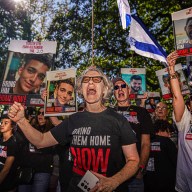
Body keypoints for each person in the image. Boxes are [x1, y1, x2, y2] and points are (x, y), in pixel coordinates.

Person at [8, 66, 140, 192]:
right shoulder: (72, 121)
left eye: (96, 79)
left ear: (105, 89)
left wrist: (114, 181)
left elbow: (133, 160)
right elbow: (41, 141)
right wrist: (21, 120)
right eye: (86, 80)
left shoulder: (119, 121)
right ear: (80, 90)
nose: (90, 83)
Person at [112, 77, 153, 192]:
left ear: (129, 90)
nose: (120, 89)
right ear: (113, 93)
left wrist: (141, 168)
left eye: (123, 86)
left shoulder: (141, 112)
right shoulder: (108, 113)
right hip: (112, 175)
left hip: (134, 176)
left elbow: (146, 143)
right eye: (116, 87)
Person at [167, 50, 192, 192]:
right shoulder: (185, 120)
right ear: (189, 106)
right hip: (185, 186)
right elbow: (177, 97)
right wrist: (171, 69)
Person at [17, 107, 54, 192]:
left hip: (42, 171)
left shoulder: (52, 130)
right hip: (26, 169)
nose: (40, 115)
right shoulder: (31, 127)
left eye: (43, 113)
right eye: (39, 113)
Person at [144, 119, 177, 192]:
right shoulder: (167, 142)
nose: (169, 135)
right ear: (160, 130)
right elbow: (176, 160)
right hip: (167, 183)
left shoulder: (146, 143)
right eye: (167, 131)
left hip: (149, 182)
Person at [0, 111, 18, 192]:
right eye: (1, 122)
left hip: (7, 184)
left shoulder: (12, 143)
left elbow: (6, 169)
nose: (2, 125)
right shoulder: (0, 140)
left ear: (12, 126)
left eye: (6, 123)